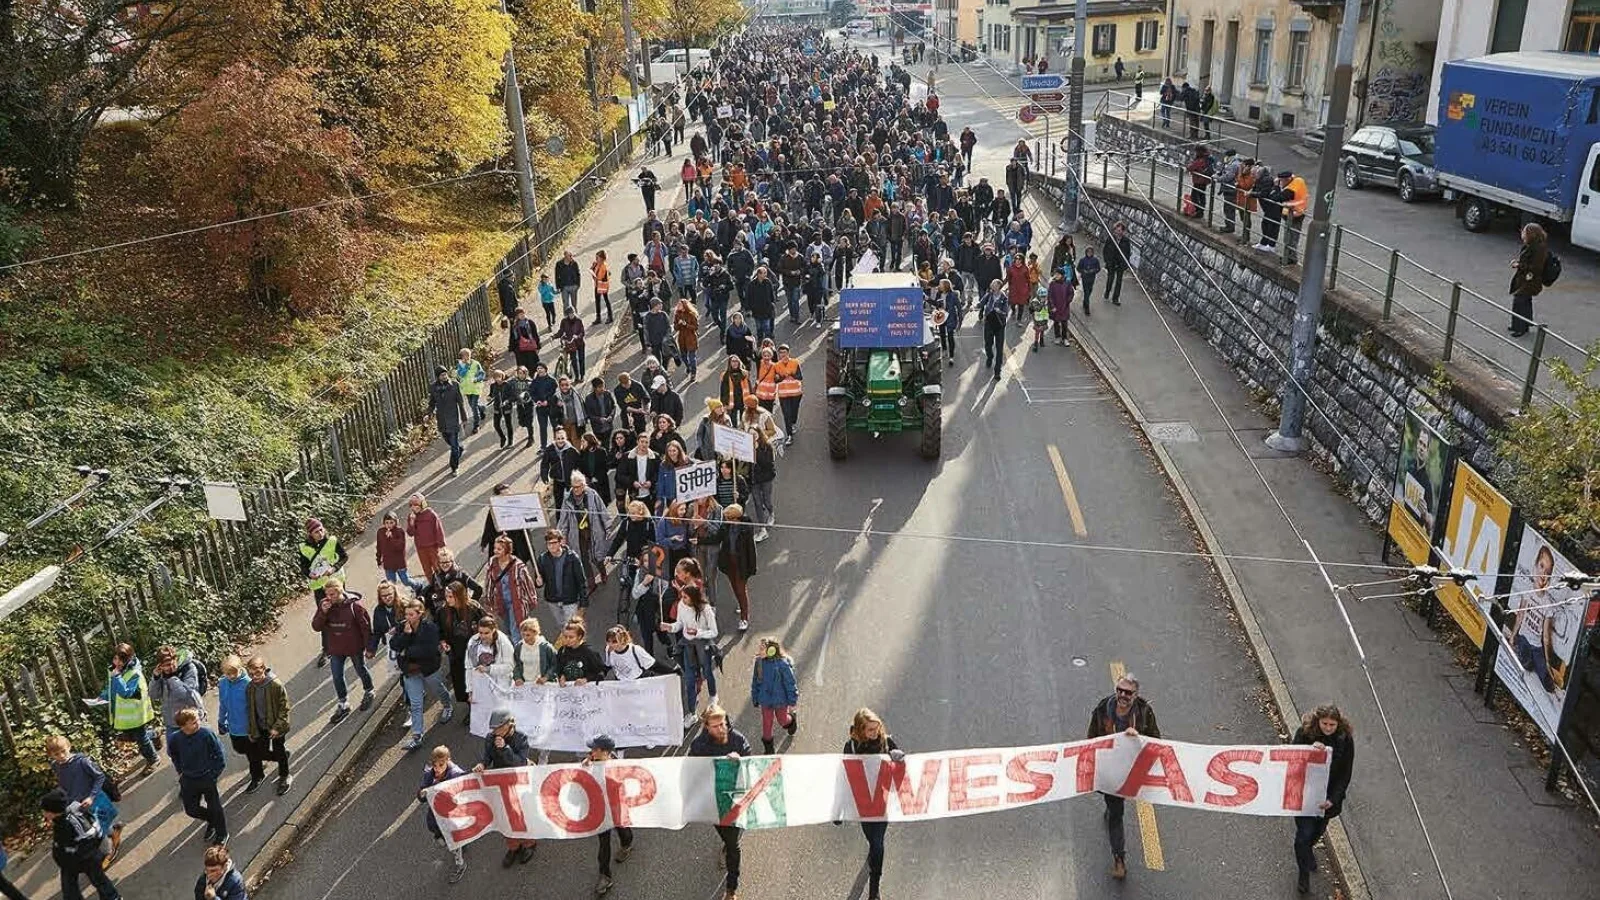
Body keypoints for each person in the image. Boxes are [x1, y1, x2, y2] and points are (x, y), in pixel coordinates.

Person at [1086, 673, 1160, 880]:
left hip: (1133, 770)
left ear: (1135, 695)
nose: (1123, 695)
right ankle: (1119, 859)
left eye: (1128, 692)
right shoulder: (1103, 709)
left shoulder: (1144, 713)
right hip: (1112, 773)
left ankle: (1111, 813)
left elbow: (1156, 741)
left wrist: (1138, 738)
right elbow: (1091, 739)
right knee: (1116, 813)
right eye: (1120, 690)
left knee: (1114, 811)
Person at [1289, 705, 1355, 894]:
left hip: (1327, 798)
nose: (1328, 728)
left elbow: (1345, 773)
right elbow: (1292, 757)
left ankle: (1307, 852)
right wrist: (1310, 751)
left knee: (1317, 831)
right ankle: (1303, 873)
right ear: (1318, 721)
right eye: (1324, 723)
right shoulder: (1305, 733)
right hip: (1306, 795)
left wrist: (1333, 799)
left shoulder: (1345, 739)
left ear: (1338, 724)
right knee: (1303, 836)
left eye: (1332, 725)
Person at [690, 704, 752, 900]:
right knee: (726, 835)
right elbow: (690, 769)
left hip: (735, 798)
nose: (721, 729)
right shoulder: (699, 745)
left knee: (733, 845)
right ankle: (727, 842)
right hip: (713, 802)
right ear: (706, 726)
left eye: (723, 724)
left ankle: (731, 889)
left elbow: (751, 761)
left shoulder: (737, 739)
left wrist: (740, 759)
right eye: (715, 726)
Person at [844, 708, 904, 900]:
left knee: (878, 844)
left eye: (876, 728)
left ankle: (874, 887)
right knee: (872, 841)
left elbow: (901, 769)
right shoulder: (851, 747)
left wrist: (898, 758)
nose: (875, 733)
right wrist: (838, 810)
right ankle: (873, 856)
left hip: (880, 802)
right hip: (863, 805)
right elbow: (843, 775)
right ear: (861, 730)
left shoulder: (886, 742)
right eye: (870, 729)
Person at [473, 709, 538, 866]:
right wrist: (482, 764)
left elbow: (520, 762)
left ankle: (529, 843)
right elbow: (487, 757)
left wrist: (505, 749)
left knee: (521, 814)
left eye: (498, 728)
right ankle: (513, 846)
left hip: (518, 782)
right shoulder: (491, 738)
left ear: (509, 725)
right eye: (493, 729)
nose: (495, 732)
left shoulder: (521, 738)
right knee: (504, 816)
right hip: (500, 783)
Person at [44, 735, 121, 866]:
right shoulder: (56, 766)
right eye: (56, 754)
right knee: (92, 827)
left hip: (94, 800)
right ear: (50, 755)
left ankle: (109, 852)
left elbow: (99, 777)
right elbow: (64, 783)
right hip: (77, 804)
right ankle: (114, 832)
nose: (61, 756)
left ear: (69, 747)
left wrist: (91, 796)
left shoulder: (82, 762)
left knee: (97, 829)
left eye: (63, 751)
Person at [392, 598, 455, 750]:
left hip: (429, 669)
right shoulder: (402, 627)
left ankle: (447, 705)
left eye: (411, 614)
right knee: (416, 704)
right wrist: (406, 635)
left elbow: (429, 650)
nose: (408, 617)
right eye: (406, 614)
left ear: (420, 614)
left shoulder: (430, 628)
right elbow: (394, 645)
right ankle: (417, 736)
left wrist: (407, 651)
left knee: (438, 689)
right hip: (410, 671)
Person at [41, 788, 120, 900]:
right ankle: (112, 897)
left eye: (45, 811)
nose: (43, 813)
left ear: (53, 812)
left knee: (95, 882)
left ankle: (113, 897)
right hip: (81, 858)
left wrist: (63, 856)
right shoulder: (73, 811)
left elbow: (67, 846)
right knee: (94, 881)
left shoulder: (64, 825)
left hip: (82, 859)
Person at [169, 708, 229, 845]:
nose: (198, 723)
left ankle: (222, 834)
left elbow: (219, 755)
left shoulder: (206, 734)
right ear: (183, 726)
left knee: (214, 806)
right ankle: (212, 820)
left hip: (207, 777)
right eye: (194, 722)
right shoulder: (175, 739)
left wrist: (213, 775)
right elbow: (174, 755)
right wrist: (180, 771)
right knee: (191, 809)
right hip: (188, 779)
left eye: (197, 720)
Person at [585, 734, 634, 896]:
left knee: (622, 830)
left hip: (615, 809)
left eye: (595, 749)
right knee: (603, 843)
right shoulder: (591, 763)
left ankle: (627, 844)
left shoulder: (616, 767)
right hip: (600, 811)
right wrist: (586, 768)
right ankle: (605, 875)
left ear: (605, 752)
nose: (591, 752)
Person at [94, 643, 157, 770]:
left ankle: (153, 759)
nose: (116, 662)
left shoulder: (134, 673)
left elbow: (126, 693)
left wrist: (117, 677)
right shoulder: (116, 670)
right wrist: (103, 696)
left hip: (136, 713)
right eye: (115, 658)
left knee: (141, 739)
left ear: (127, 659)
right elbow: (112, 688)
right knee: (132, 737)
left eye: (120, 659)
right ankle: (154, 734)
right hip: (126, 716)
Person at [662, 583, 717, 726]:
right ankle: (692, 713)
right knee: (689, 680)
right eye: (682, 596)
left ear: (693, 598)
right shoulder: (681, 604)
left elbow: (714, 632)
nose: (682, 599)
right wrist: (670, 627)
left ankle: (713, 696)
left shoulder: (706, 609)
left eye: (685, 597)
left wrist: (698, 632)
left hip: (702, 645)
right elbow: (679, 624)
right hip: (688, 645)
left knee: (707, 672)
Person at [298, 516, 348, 667]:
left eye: (321, 530)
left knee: (344, 610)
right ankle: (327, 649)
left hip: (336, 582)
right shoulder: (304, 547)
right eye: (316, 532)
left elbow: (344, 557)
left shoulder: (332, 541)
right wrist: (309, 574)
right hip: (319, 587)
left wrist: (334, 568)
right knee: (324, 614)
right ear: (310, 534)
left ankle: (349, 639)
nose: (320, 533)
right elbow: (303, 566)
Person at [557, 472, 615, 595]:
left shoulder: (592, 495)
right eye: (573, 486)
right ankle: (591, 583)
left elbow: (602, 511)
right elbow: (563, 519)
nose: (575, 489)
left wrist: (608, 527)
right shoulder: (567, 499)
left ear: (584, 485)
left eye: (578, 487)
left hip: (593, 531)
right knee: (583, 560)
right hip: (578, 535)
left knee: (596, 557)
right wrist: (561, 536)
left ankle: (602, 572)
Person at [242, 655, 292, 794]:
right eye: (251, 674)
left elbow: (284, 709)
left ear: (264, 668)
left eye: (257, 673)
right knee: (261, 751)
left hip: (276, 727)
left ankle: (285, 776)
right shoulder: (250, 687)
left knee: (278, 750)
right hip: (261, 726)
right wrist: (251, 729)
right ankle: (282, 757)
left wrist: (277, 727)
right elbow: (251, 710)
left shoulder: (275, 685)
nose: (255, 677)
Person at [439, 581, 488, 709]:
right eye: (446, 596)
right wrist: (443, 642)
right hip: (456, 654)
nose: (448, 599)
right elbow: (440, 630)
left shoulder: (473, 608)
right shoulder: (443, 612)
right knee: (463, 684)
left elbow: (488, 623)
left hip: (475, 653)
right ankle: (472, 707)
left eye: (451, 596)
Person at [750, 636, 796, 754]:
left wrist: (792, 700)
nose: (759, 651)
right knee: (767, 724)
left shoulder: (782, 664)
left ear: (771, 650)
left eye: (762, 649)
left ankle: (791, 721)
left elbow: (790, 683)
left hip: (781, 700)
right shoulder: (759, 663)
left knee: (782, 720)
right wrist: (755, 696)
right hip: (765, 700)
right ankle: (769, 750)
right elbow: (755, 681)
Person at [149, 646, 207, 741]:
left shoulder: (189, 669)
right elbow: (154, 695)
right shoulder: (162, 673)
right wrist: (155, 678)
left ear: (176, 659)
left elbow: (186, 695)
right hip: (172, 722)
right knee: (173, 749)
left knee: (199, 748)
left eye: (170, 663)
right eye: (165, 665)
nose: (169, 668)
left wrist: (171, 678)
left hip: (191, 720)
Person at [485, 532, 538, 629]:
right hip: (501, 603)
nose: (495, 551)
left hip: (516, 603)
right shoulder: (492, 563)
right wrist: (489, 600)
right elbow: (489, 582)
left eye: (499, 549)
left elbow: (527, 583)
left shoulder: (518, 566)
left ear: (507, 550)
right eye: (495, 548)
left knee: (515, 631)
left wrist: (531, 600)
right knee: (508, 629)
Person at [538, 528, 591, 624]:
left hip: (570, 599)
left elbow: (581, 581)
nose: (551, 546)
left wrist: (583, 604)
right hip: (553, 600)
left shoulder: (572, 558)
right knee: (562, 625)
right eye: (549, 544)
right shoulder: (543, 559)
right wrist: (538, 583)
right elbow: (540, 579)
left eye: (554, 543)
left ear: (560, 542)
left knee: (571, 626)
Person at [425, 364, 468, 476]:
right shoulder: (433, 388)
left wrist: (464, 418)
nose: (444, 376)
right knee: (449, 441)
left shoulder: (454, 385)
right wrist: (428, 413)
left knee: (453, 446)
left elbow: (460, 402)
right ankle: (460, 448)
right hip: (442, 420)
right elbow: (432, 403)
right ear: (438, 377)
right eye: (442, 375)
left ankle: (454, 467)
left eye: (445, 374)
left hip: (453, 419)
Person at [1510, 222, 1549, 337]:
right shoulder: (1531, 245)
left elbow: (1535, 267)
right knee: (1525, 302)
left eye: (1524, 232)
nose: (1522, 234)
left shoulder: (1538, 249)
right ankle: (1522, 325)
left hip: (1529, 281)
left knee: (1520, 302)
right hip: (1525, 279)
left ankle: (1520, 327)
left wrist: (1519, 265)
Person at [746, 426, 777, 542]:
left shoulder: (766, 446)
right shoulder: (746, 447)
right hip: (754, 480)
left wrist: (756, 452)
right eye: (750, 434)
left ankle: (771, 513)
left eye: (754, 434)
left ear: (759, 434)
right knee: (757, 503)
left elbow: (767, 463)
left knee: (766, 500)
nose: (753, 436)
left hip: (766, 479)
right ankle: (762, 529)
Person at [978, 278, 1009, 380]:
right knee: (988, 344)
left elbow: (1006, 312)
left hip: (999, 324)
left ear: (998, 286)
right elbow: (981, 303)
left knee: (999, 348)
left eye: (993, 284)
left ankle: (997, 371)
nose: (991, 285)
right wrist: (975, 307)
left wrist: (999, 311)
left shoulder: (1004, 298)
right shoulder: (989, 295)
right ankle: (990, 356)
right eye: (992, 284)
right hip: (989, 323)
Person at [770, 345, 802, 442]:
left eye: (784, 352)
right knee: (786, 415)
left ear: (788, 353)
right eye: (781, 353)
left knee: (793, 413)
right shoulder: (776, 366)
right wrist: (781, 377)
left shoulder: (795, 362)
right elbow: (775, 380)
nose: (782, 354)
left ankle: (792, 423)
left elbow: (800, 377)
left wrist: (791, 373)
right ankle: (789, 435)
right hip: (783, 395)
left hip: (796, 393)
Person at [456, 348, 487, 433]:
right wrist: (466, 366)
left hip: (476, 388)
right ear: (462, 357)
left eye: (468, 355)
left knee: (473, 406)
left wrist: (477, 379)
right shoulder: (460, 365)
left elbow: (482, 374)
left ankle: (476, 425)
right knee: (473, 405)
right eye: (464, 356)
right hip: (467, 389)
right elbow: (460, 375)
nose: (466, 357)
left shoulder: (476, 363)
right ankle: (481, 409)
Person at [673, 296, 700, 381]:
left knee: (692, 357)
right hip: (682, 339)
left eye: (680, 305)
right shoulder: (677, 315)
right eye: (678, 304)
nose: (678, 306)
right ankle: (688, 367)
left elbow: (695, 327)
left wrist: (686, 325)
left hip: (691, 338)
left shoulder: (691, 314)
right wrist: (678, 324)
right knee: (683, 357)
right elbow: (675, 328)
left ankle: (693, 373)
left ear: (685, 305)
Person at [1103, 222, 1130, 306]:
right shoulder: (1110, 239)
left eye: (1120, 230)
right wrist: (1107, 261)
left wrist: (1125, 264)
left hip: (1120, 264)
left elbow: (1127, 253)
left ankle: (1115, 298)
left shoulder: (1126, 241)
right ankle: (1107, 291)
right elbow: (1105, 250)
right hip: (1111, 263)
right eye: (1116, 230)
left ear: (1123, 231)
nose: (1118, 232)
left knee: (1119, 282)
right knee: (1110, 279)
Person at [559, 307, 588, 381]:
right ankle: (577, 376)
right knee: (573, 360)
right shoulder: (564, 321)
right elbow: (561, 331)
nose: (571, 315)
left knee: (581, 359)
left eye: (572, 313)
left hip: (579, 343)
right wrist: (554, 336)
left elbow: (582, 332)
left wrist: (577, 336)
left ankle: (582, 375)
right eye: (569, 314)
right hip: (571, 344)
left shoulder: (578, 320)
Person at [1186, 146, 1214, 218]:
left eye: (1196, 151)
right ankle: (1200, 211)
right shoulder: (1207, 158)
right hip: (1204, 181)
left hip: (1199, 181)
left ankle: (1199, 211)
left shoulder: (1201, 160)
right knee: (1201, 196)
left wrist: (1188, 165)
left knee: (1194, 196)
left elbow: (1191, 167)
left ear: (1199, 151)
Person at [1047, 269, 1073, 347]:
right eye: (1056, 274)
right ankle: (1057, 337)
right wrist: (1052, 306)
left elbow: (1071, 293)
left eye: (1058, 274)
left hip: (1064, 307)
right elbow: (1050, 296)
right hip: (1056, 307)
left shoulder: (1067, 283)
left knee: (1064, 323)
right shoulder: (1052, 284)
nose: (1056, 276)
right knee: (1056, 322)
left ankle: (1065, 338)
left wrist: (1067, 301)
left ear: (1062, 275)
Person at [590, 250, 614, 324]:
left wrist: (594, 276)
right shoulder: (598, 264)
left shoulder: (603, 266)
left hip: (602, 285)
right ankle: (598, 318)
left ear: (601, 258)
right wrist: (592, 269)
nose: (596, 259)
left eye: (597, 257)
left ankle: (610, 317)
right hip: (598, 285)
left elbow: (600, 276)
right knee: (597, 301)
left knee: (606, 300)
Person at [1076, 246, 1101, 316]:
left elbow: (1098, 268)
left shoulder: (1095, 260)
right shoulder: (1082, 260)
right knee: (1086, 292)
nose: (1089, 253)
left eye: (1091, 252)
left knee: (1089, 291)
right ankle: (1087, 307)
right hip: (1085, 278)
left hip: (1091, 278)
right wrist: (1083, 271)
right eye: (1088, 252)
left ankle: (1085, 301)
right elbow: (1078, 268)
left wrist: (1093, 270)